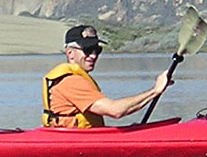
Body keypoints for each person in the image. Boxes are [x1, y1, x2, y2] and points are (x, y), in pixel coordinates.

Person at [42, 25, 172, 128]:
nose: (93, 55)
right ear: (70, 53)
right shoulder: (71, 82)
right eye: (87, 50)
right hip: (73, 141)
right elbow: (115, 111)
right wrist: (155, 91)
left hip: (85, 137)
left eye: (97, 50)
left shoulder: (76, 78)